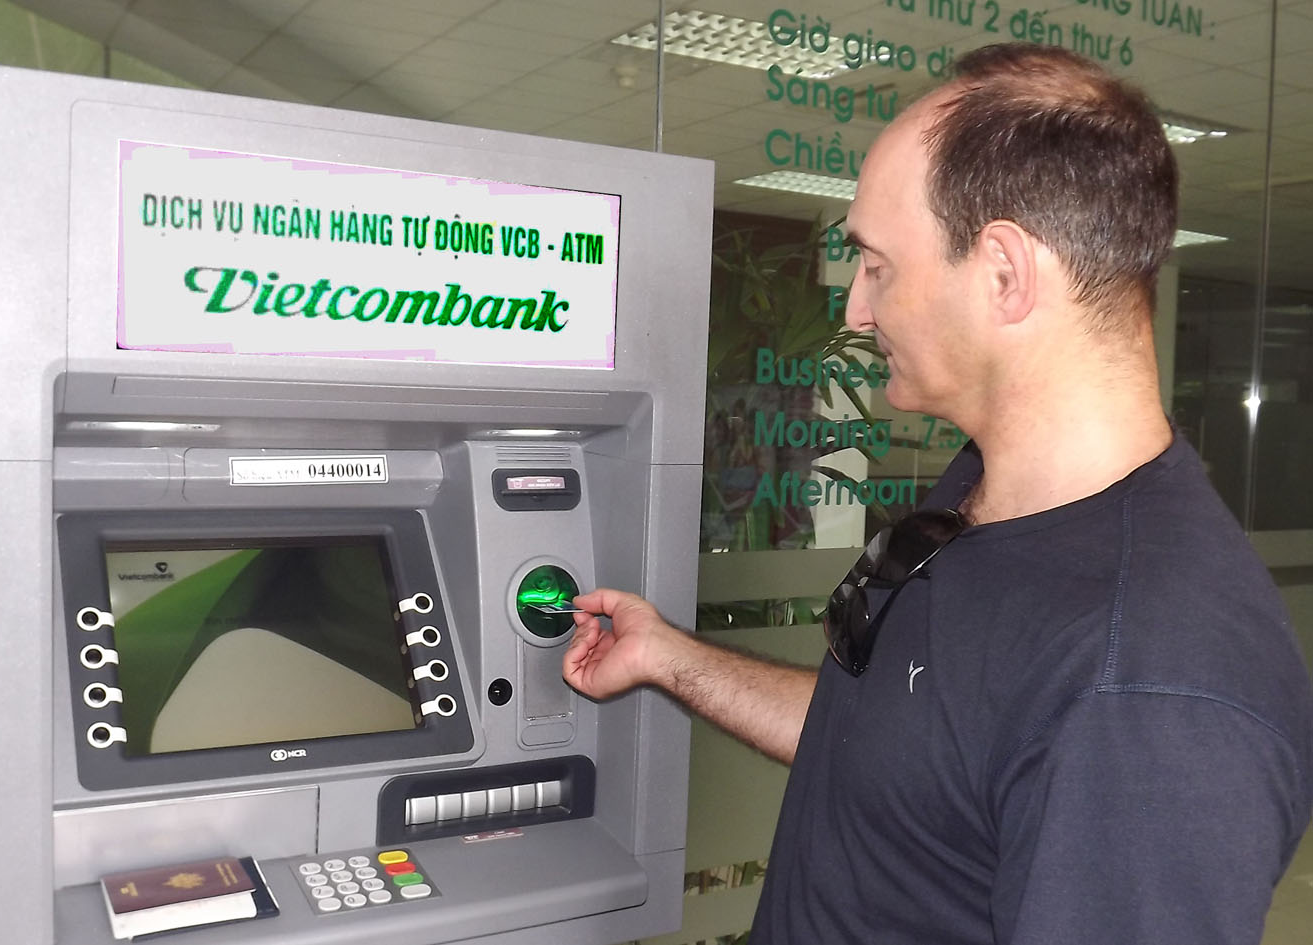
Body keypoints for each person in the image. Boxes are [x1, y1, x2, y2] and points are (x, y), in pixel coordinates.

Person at [563, 43, 1313, 945]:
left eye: (877, 265)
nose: (856, 310)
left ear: (1003, 273)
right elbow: (901, 750)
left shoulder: (1147, 689)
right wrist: (668, 656)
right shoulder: (983, 493)